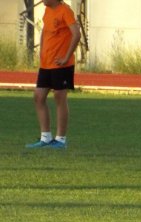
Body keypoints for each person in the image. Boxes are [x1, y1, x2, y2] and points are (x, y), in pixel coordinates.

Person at [25, 0, 81, 150]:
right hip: (46, 63)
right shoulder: (48, 10)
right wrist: (42, 50)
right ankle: (46, 138)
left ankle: (61, 140)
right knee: (38, 97)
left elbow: (76, 34)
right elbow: (45, 30)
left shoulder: (65, 11)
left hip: (61, 64)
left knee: (59, 97)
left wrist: (66, 56)